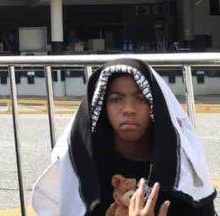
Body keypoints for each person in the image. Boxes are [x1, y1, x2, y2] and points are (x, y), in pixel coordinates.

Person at [32, 58, 217, 216]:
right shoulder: (83, 168)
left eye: (141, 98)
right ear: (102, 108)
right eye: (115, 99)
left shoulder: (180, 172)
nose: (128, 109)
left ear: (155, 106)